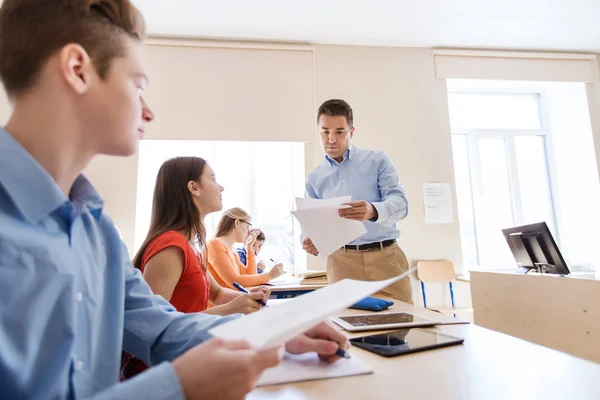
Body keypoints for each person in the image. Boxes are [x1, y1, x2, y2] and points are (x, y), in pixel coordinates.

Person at [0, 2, 349, 399]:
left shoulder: (95, 229)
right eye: (138, 86)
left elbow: (162, 326)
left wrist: (275, 332)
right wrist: (176, 387)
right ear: (77, 70)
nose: (147, 111)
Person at [121, 156, 272, 380]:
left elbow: (218, 293)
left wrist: (248, 297)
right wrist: (233, 309)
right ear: (194, 188)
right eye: (213, 178)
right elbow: (155, 330)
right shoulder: (170, 246)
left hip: (191, 360)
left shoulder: (192, 245)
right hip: (163, 374)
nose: (221, 186)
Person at [303, 99, 413, 303]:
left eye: (339, 131)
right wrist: (313, 242)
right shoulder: (314, 179)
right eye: (325, 131)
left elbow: (401, 204)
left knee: (399, 325)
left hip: (386, 259)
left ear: (351, 132)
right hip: (341, 263)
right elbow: (313, 224)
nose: (331, 138)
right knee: (345, 329)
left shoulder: (378, 160)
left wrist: (373, 210)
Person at [206, 208, 284, 288]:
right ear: (236, 223)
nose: (249, 232)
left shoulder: (232, 252)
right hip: (226, 301)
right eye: (247, 227)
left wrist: (249, 248)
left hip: (234, 300)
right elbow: (236, 281)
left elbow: (250, 277)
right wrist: (269, 276)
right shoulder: (214, 245)